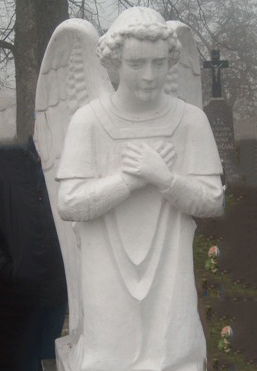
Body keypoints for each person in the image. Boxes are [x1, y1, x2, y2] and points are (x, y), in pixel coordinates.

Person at [57, 7, 223, 371]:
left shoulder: (190, 121)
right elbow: (69, 203)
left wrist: (165, 178)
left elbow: (212, 199)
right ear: (115, 64)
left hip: (170, 268)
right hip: (108, 270)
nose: (150, 76)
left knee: (176, 356)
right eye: (136, 64)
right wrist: (130, 180)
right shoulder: (89, 122)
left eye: (159, 63)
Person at [0, 139, 67, 371]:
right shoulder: (7, 159)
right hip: (15, 296)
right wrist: (11, 271)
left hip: (56, 290)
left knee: (49, 358)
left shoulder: (63, 159)